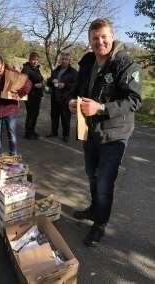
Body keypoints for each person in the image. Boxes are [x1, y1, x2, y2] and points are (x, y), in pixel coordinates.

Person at [69, 18, 142, 246]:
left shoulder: (126, 64)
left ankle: (100, 224)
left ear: (112, 36)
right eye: (95, 38)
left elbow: (134, 100)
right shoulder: (87, 61)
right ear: (89, 41)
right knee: (92, 175)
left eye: (103, 37)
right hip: (90, 131)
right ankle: (94, 210)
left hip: (115, 134)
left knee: (104, 183)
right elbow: (77, 89)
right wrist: (72, 101)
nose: (100, 42)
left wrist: (100, 107)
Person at [0, 53, 32, 164]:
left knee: (11, 132)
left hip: (10, 108)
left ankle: (13, 156)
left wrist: (19, 93)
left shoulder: (12, 73)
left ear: (3, 64)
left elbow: (28, 83)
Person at [47, 53, 77, 142]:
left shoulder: (73, 72)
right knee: (54, 116)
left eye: (66, 59)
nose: (64, 61)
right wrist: (52, 81)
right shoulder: (56, 70)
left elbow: (76, 86)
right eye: (62, 59)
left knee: (65, 117)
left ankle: (66, 135)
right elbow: (49, 81)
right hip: (55, 98)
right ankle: (54, 132)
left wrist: (65, 85)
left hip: (66, 99)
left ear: (69, 61)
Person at [22, 52, 44, 140]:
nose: (35, 62)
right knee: (31, 114)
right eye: (33, 59)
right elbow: (23, 82)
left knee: (35, 114)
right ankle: (28, 133)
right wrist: (34, 86)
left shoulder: (36, 69)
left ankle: (32, 131)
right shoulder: (26, 69)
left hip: (37, 95)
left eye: (37, 60)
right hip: (30, 95)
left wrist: (42, 83)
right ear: (30, 59)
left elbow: (40, 78)